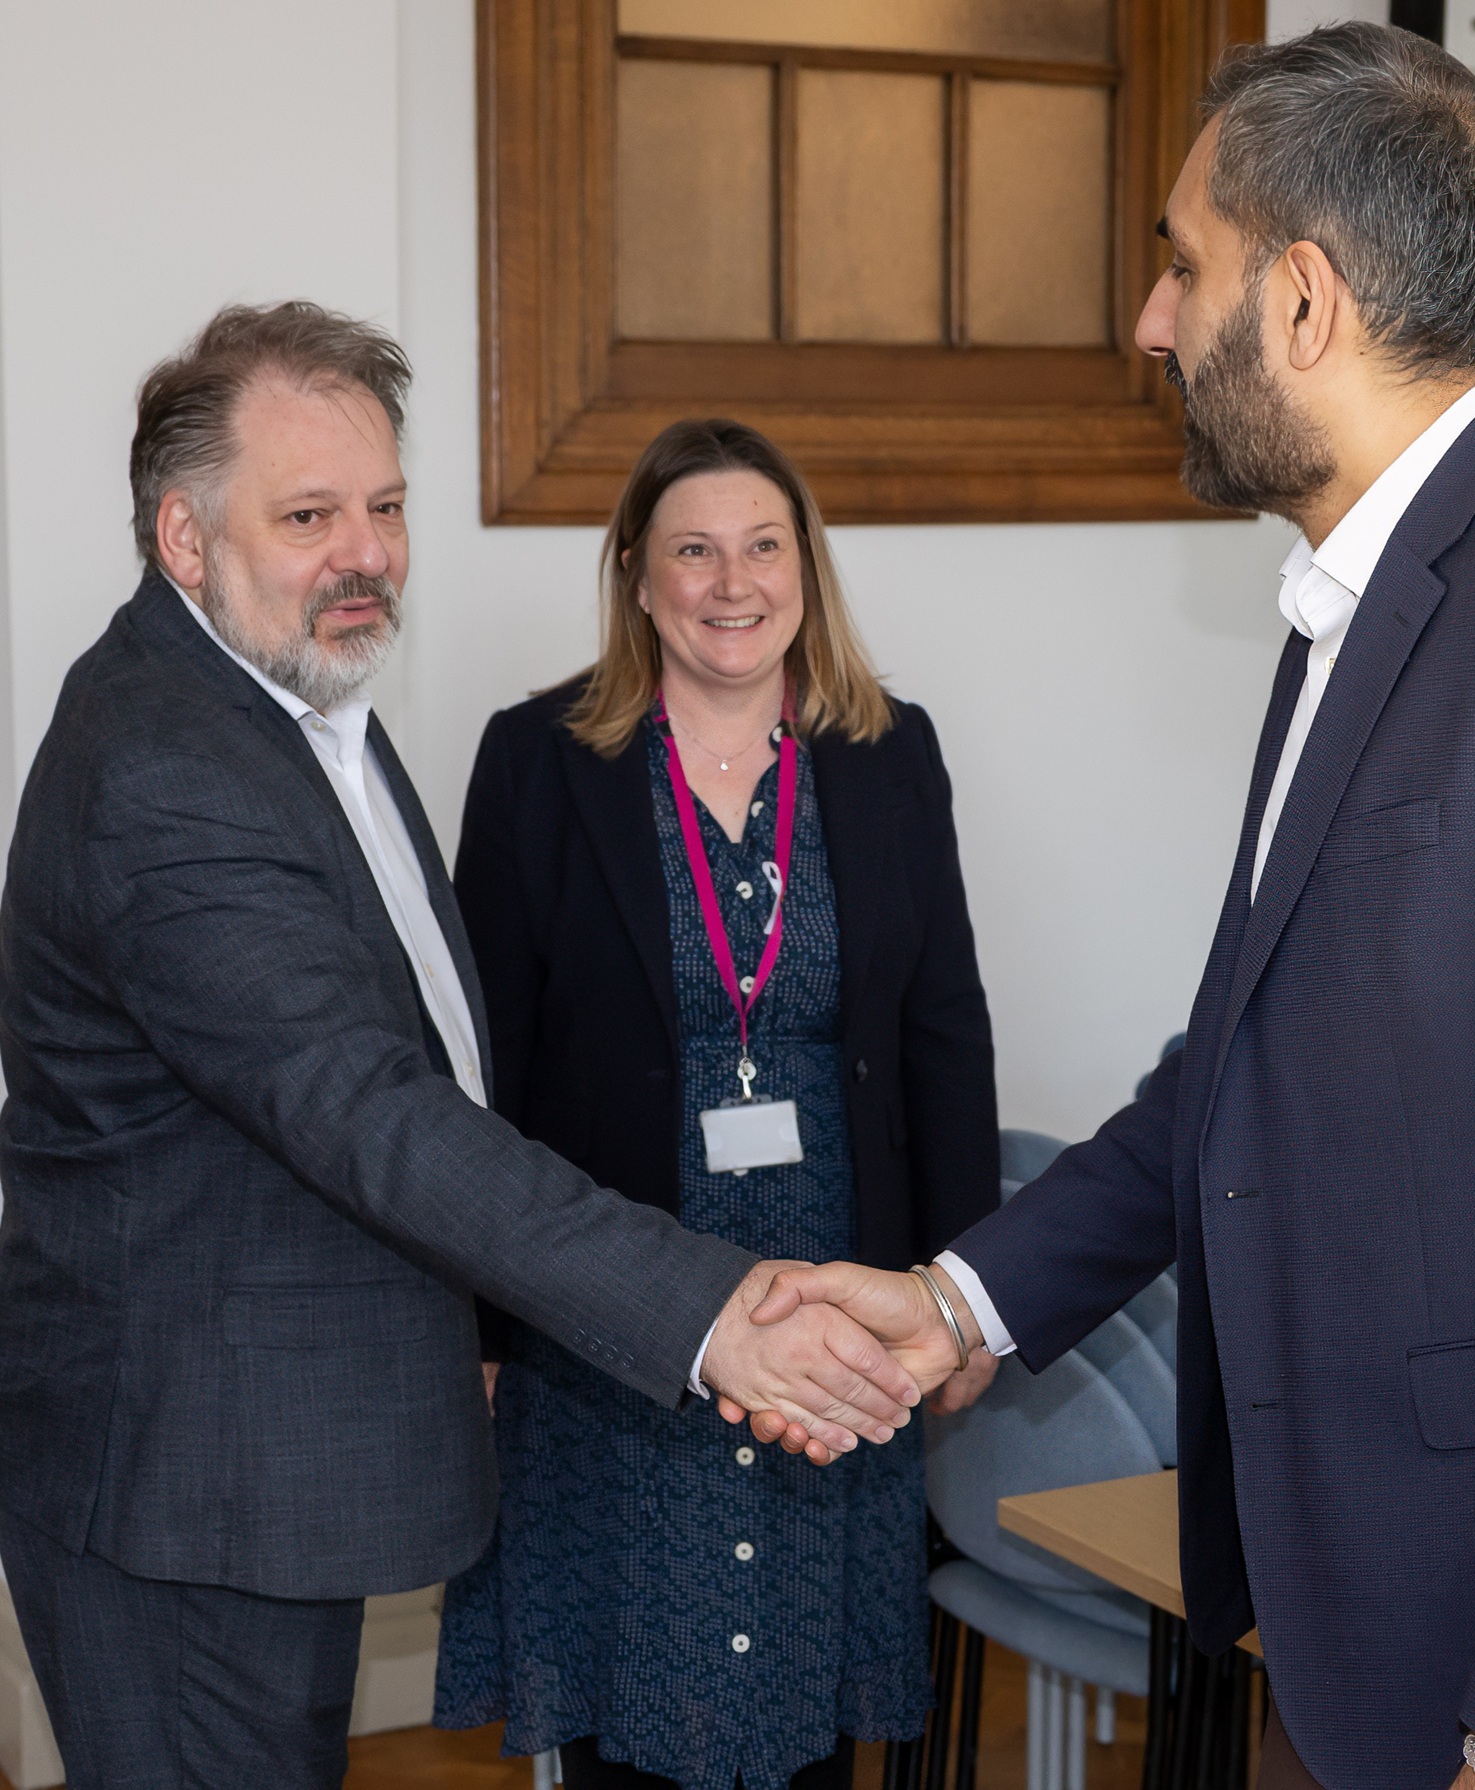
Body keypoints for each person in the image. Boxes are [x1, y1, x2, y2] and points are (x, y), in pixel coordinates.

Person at [740, 23, 1475, 1790]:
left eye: (1182, 262)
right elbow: (1235, 1072)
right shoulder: (1368, 600)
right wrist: (962, 1303)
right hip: (1353, 1623)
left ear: (1302, 302)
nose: (1152, 320)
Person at [0, 306, 921, 1790]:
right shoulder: (169, 768)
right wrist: (712, 1310)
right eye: (308, 515)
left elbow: (426, 1059)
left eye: (385, 507)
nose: (362, 551)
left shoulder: (289, 707)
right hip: (188, 1489)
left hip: (265, 1460)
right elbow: (373, 1112)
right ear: (184, 536)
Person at [432, 418, 1001, 1790]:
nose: (730, 581)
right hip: (618, 1314)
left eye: (762, 546)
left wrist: (965, 1289)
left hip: (839, 1301)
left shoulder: (889, 752)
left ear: (806, 569)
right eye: (693, 549)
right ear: (637, 574)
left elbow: (945, 1030)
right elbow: (480, 1065)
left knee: (803, 1700)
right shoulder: (536, 763)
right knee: (632, 1700)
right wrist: (485, 1315)